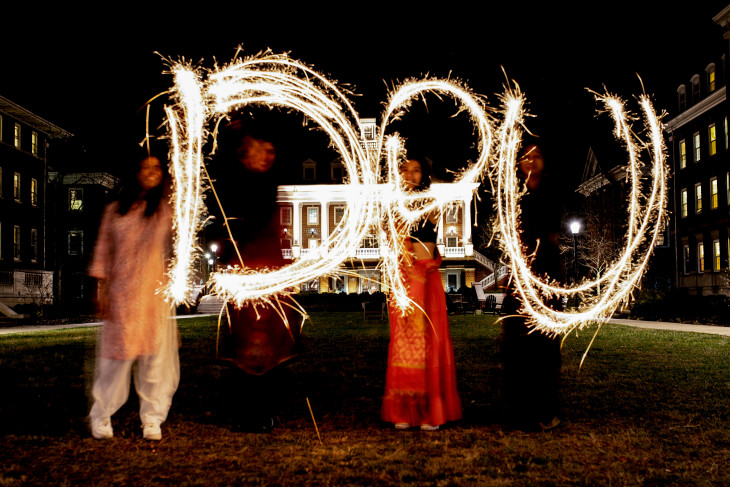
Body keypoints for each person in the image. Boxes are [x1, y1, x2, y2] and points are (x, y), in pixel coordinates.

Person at [207, 120, 302, 432]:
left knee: (273, 347)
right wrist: (233, 131)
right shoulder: (234, 186)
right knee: (246, 347)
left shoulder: (272, 184)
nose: (266, 157)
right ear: (244, 154)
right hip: (246, 276)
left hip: (273, 277)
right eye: (258, 151)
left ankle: (266, 410)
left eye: (270, 152)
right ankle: (245, 410)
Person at [88, 151, 178, 441]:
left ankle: (152, 418)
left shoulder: (164, 210)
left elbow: (184, 229)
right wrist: (100, 289)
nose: (152, 172)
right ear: (135, 172)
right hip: (122, 294)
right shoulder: (115, 210)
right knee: (116, 358)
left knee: (155, 359)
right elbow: (103, 250)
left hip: (153, 294)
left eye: (157, 168)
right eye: (146, 167)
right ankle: (101, 414)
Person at [381, 157, 462, 431]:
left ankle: (429, 409)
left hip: (424, 278)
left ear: (424, 175)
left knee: (427, 342)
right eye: (404, 169)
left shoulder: (429, 204)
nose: (410, 175)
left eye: (416, 171)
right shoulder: (392, 205)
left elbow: (428, 240)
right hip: (402, 280)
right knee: (404, 343)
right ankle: (404, 408)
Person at [499, 143, 564, 432]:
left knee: (546, 347)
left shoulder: (552, 192)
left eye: (536, 155)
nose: (530, 160)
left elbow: (549, 233)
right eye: (525, 156)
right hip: (519, 278)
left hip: (546, 277)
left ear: (544, 162)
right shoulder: (513, 195)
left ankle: (545, 409)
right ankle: (517, 408)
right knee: (515, 344)